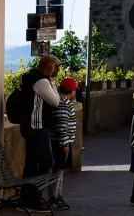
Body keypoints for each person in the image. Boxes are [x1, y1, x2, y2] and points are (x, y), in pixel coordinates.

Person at [20, 55, 62, 210]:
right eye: (56, 67)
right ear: (50, 68)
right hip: (37, 128)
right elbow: (55, 102)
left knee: (32, 163)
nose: (58, 70)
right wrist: (52, 83)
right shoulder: (42, 82)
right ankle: (33, 199)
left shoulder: (30, 76)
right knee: (46, 162)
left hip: (29, 127)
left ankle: (27, 198)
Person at [48, 77, 78, 211]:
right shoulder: (63, 103)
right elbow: (61, 125)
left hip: (62, 142)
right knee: (57, 171)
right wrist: (64, 144)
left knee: (60, 172)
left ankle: (58, 197)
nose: (75, 93)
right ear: (70, 91)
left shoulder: (61, 101)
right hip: (61, 143)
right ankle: (53, 198)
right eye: (74, 90)